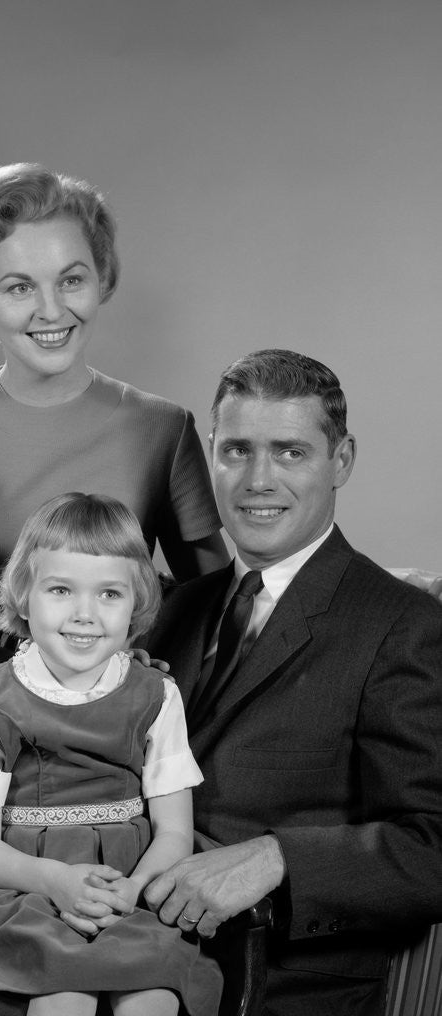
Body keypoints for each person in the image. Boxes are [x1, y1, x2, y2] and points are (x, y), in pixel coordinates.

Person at [142, 349, 442, 1016]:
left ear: (340, 461)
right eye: (236, 450)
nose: (256, 479)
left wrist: (276, 859)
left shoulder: (404, 623)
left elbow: (432, 846)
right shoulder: (170, 610)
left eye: (288, 453)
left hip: (282, 986)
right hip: (133, 957)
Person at [0, 162, 226, 669]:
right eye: (20, 287)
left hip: (106, 729)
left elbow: (213, 612)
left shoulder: (162, 431)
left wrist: (148, 683)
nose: (51, 310)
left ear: (101, 278)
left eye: (71, 280)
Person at [0, 493, 224, 1016]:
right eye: (61, 590)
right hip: (27, 889)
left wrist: (132, 891)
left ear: (137, 601)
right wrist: (57, 882)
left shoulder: (157, 695)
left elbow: (175, 831)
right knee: (65, 996)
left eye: (109, 593)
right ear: (24, 596)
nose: (85, 614)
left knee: (153, 998)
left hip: (127, 888)